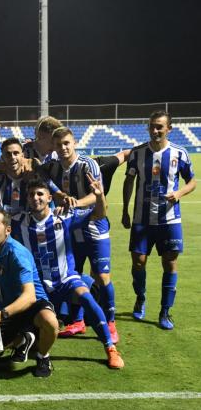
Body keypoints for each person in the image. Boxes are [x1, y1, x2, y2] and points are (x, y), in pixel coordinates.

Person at [10, 178, 124, 369]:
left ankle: (110, 348)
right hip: (38, 287)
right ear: (27, 199)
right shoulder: (18, 221)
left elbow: (99, 214)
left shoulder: (64, 216)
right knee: (34, 328)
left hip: (65, 279)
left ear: (49, 197)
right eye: (31, 194)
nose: (35, 198)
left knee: (87, 298)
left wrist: (99, 195)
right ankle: (28, 339)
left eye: (40, 194)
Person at [41, 127, 118, 343]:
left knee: (101, 276)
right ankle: (78, 321)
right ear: (54, 148)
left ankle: (110, 322)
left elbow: (97, 196)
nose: (64, 148)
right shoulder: (52, 167)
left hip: (94, 225)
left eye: (67, 143)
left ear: (74, 143)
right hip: (70, 229)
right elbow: (38, 172)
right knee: (74, 274)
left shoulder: (87, 164)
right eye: (59, 145)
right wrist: (56, 192)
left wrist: (75, 203)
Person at [122, 110, 196, 330]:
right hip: (141, 219)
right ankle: (141, 297)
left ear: (169, 129)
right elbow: (129, 182)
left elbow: (192, 182)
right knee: (138, 262)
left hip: (169, 220)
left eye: (159, 127)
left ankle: (165, 311)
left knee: (170, 263)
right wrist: (125, 210)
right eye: (152, 126)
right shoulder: (137, 153)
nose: (155, 130)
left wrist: (179, 193)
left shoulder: (179, 153)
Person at [0, 207, 59, 377]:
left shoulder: (18, 253)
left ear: (8, 230)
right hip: (9, 309)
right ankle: (23, 339)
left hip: (31, 305)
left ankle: (43, 357)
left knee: (50, 322)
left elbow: (29, 296)